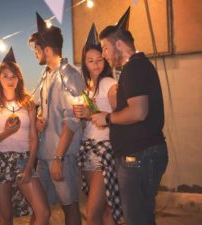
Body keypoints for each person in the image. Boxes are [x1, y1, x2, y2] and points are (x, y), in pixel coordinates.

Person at [92, 7, 169, 225]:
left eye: (105, 48)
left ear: (118, 44)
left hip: (139, 157)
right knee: (143, 217)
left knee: (137, 219)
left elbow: (138, 112)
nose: (105, 55)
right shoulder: (135, 68)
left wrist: (107, 118)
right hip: (141, 156)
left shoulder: (134, 67)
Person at [28, 12, 85, 225]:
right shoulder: (46, 76)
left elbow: (73, 120)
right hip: (44, 155)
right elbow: (32, 104)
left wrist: (59, 158)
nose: (35, 54)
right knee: (40, 207)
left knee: (69, 206)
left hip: (62, 156)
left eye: (36, 49)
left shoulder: (70, 75)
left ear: (48, 50)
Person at [0, 47, 50, 225]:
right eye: (5, 75)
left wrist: (29, 166)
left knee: (43, 212)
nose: (9, 79)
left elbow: (33, 138)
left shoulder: (28, 104)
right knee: (6, 219)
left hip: (23, 160)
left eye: (13, 75)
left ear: (19, 78)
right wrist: (7, 132)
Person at [73, 23, 122, 225]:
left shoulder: (109, 84)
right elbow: (93, 120)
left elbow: (121, 117)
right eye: (90, 60)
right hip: (88, 150)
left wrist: (95, 113)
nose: (95, 64)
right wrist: (84, 115)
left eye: (99, 60)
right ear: (84, 63)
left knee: (93, 214)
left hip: (105, 151)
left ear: (105, 60)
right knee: (104, 212)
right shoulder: (88, 86)